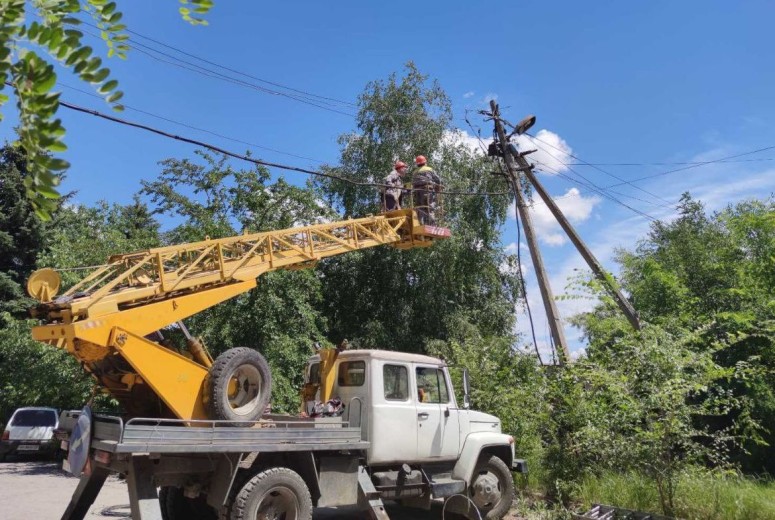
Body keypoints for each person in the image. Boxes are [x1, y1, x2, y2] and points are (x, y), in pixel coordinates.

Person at [411, 155, 442, 224]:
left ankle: (420, 224)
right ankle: (432, 225)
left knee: (420, 208)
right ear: (425, 162)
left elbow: (413, 183)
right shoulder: (429, 169)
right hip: (428, 192)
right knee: (430, 208)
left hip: (417, 193)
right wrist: (438, 189)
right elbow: (438, 180)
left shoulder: (414, 172)